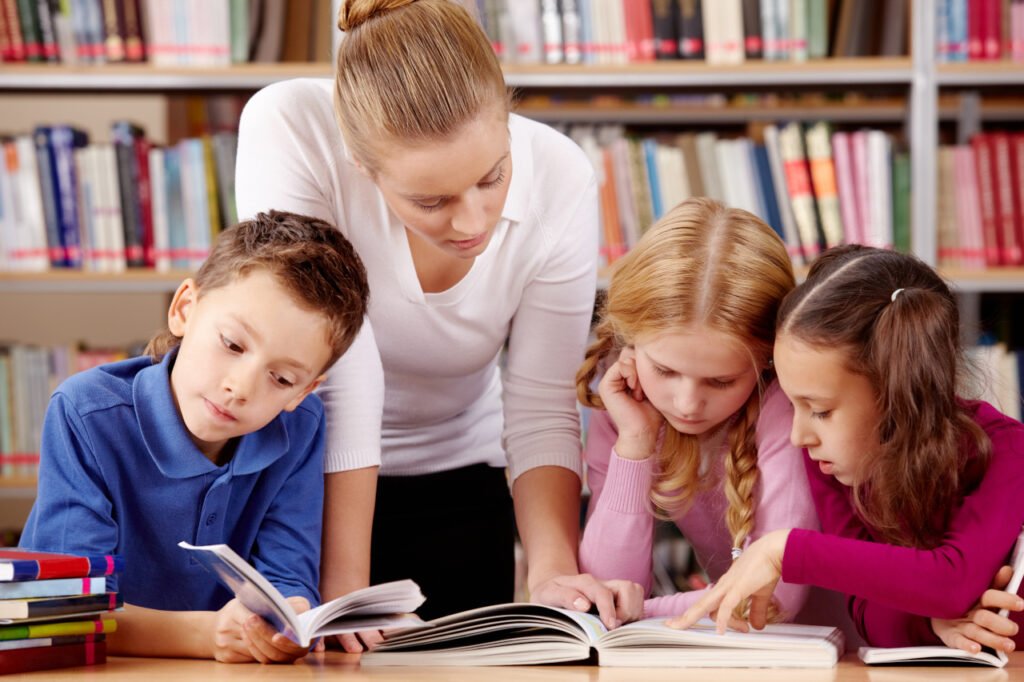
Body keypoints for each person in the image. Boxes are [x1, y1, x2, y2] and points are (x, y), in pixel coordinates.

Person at [234, 0, 612, 644]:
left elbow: (541, 401)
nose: (472, 223)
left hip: (461, 475)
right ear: (361, 164)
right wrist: (346, 589)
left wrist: (551, 571)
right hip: (298, 483)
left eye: (493, 177)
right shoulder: (290, 126)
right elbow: (337, 361)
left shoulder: (562, 176)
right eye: (430, 200)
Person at [19, 211, 370, 663]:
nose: (241, 388)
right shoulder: (85, 412)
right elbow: (65, 611)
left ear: (304, 391)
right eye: (232, 345)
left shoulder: (302, 426)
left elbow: (289, 579)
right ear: (185, 308)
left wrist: (288, 621)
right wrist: (205, 636)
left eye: (281, 379)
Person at [671, 244, 1024, 655]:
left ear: (897, 396)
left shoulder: (1008, 449)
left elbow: (949, 581)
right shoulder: (831, 463)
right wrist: (929, 621)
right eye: (793, 404)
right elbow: (869, 619)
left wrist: (787, 548)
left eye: (819, 411)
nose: (797, 436)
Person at [576, 197, 848, 630]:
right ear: (629, 341)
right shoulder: (628, 405)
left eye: (720, 382)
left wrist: (638, 610)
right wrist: (634, 445)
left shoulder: (787, 408)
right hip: (747, 650)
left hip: (842, 653)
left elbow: (773, 595)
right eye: (664, 370)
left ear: (766, 360)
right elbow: (610, 588)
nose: (686, 404)